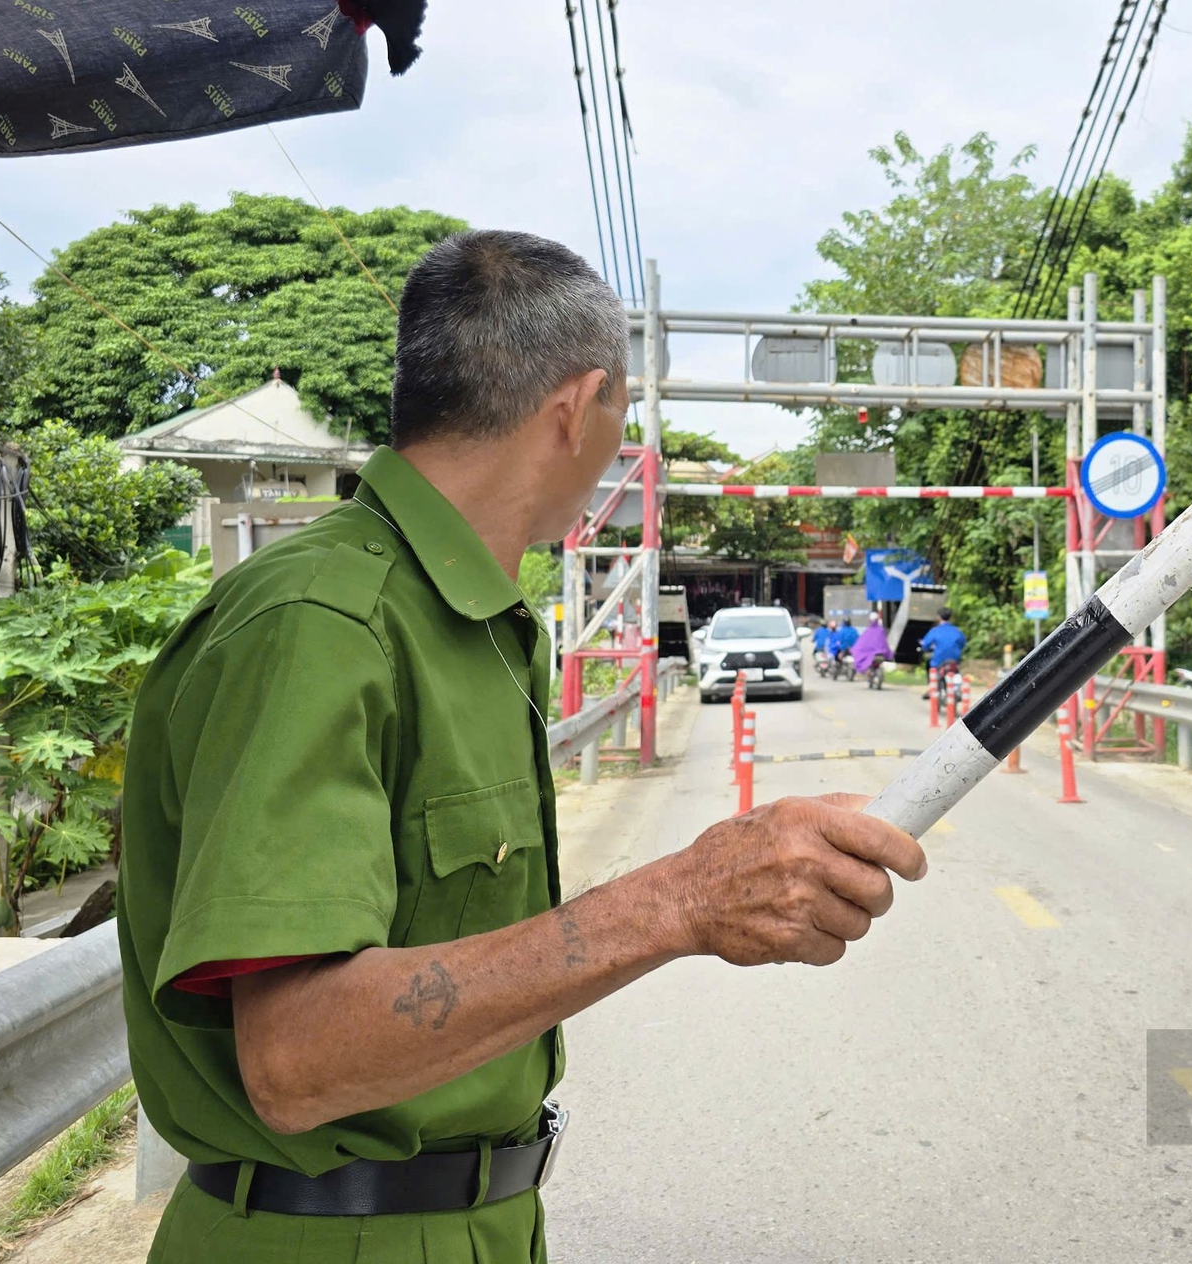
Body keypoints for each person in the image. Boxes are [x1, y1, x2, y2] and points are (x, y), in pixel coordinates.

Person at [116, 230, 926, 1262]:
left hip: (469, 1222)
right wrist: (678, 900)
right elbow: (298, 1059)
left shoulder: (467, 625)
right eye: (622, 417)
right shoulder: (325, 621)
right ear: (576, 409)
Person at [918, 607, 966, 697]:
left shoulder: (935, 631)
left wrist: (926, 647)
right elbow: (962, 643)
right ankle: (957, 689)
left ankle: (932, 687)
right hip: (954, 659)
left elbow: (925, 644)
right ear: (951, 617)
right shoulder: (957, 631)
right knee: (956, 670)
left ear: (938, 617)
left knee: (929, 664)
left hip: (939, 660)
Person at [851, 611, 891, 679]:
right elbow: (884, 642)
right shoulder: (880, 630)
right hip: (881, 654)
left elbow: (861, 643)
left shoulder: (868, 630)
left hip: (872, 655)